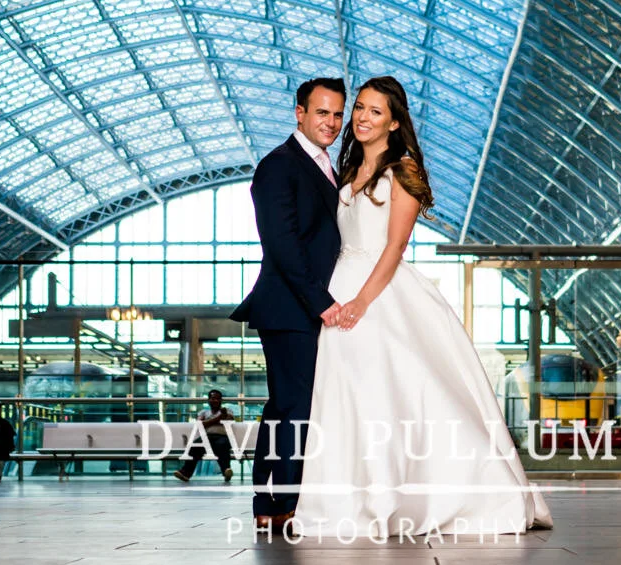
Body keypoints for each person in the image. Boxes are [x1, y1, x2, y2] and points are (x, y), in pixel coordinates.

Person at [295, 76, 551, 540]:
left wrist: (361, 302)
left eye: (376, 111)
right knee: (350, 396)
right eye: (360, 108)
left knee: (403, 393)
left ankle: (442, 493)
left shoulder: (404, 169)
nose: (362, 117)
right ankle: (359, 500)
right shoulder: (346, 171)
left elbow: (394, 247)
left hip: (378, 292)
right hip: (342, 286)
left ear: (394, 122)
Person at [230, 76, 346, 531]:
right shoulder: (279, 165)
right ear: (299, 112)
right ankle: (282, 502)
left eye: (337, 114)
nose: (332, 123)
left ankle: (273, 498)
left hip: (305, 306)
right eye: (322, 112)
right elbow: (281, 242)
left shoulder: (323, 165)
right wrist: (321, 302)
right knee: (294, 407)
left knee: (286, 406)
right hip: (289, 307)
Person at [175, 388, 235, 484]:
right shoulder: (203, 412)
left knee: (222, 445)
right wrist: (219, 418)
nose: (214, 400)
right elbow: (200, 424)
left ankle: (226, 471)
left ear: (221, 400)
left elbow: (229, 420)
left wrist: (209, 421)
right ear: (208, 400)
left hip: (222, 437)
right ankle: (185, 473)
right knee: (194, 446)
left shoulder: (228, 411)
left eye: (217, 398)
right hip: (206, 437)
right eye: (212, 398)